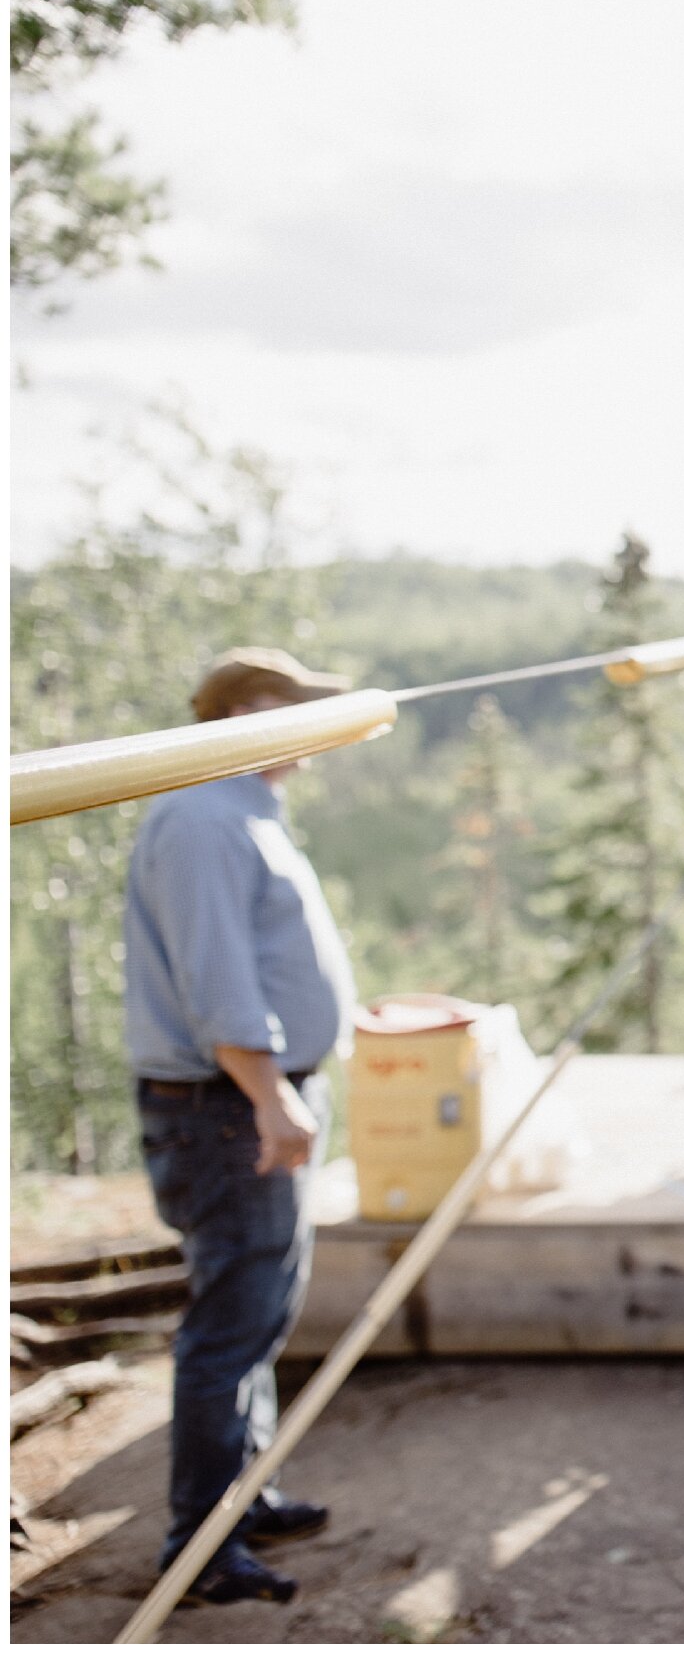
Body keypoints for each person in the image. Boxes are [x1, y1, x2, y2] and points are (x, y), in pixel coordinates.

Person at [122, 648, 360, 1605]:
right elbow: (218, 978)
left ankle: (241, 1496)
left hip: (253, 1098)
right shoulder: (201, 817)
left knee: (262, 1307)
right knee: (231, 1322)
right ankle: (201, 1545)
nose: (309, 730)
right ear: (247, 715)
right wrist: (269, 1095)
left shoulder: (244, 808)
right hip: (227, 1110)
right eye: (291, 709)